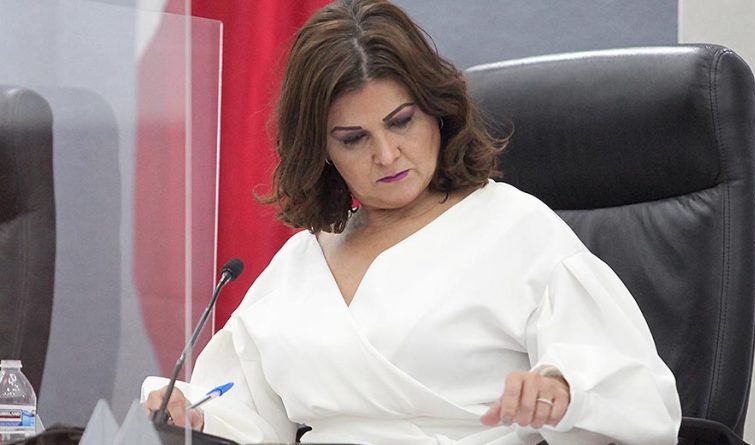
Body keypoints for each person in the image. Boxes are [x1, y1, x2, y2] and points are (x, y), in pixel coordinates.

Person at [143, 0, 681, 444]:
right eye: (353, 138)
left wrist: (562, 392)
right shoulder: (302, 261)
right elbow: (239, 409)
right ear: (321, 151)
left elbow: (640, 399)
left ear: (438, 110)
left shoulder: (517, 229)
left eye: (401, 122)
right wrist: (194, 413)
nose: (386, 154)